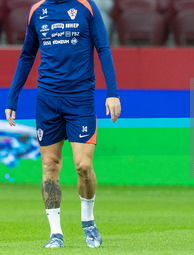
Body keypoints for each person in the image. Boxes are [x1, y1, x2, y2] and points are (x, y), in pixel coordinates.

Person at [5, 0, 121, 249]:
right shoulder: (37, 11)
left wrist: (112, 93)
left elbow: (103, 47)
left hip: (80, 99)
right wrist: (12, 98)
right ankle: (55, 233)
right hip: (47, 99)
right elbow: (27, 55)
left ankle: (88, 222)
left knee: (83, 166)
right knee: (49, 166)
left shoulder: (86, 7)